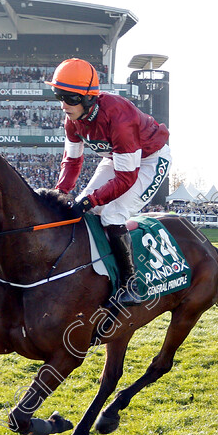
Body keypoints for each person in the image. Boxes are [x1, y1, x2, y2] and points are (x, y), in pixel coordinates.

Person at [46, 58, 171, 306]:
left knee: (112, 213)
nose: (63, 105)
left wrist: (92, 199)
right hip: (117, 159)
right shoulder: (71, 120)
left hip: (149, 161)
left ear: (89, 98)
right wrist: (60, 193)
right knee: (84, 206)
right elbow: (71, 162)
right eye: (59, 96)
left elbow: (126, 178)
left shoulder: (120, 118)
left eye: (70, 98)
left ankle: (131, 283)